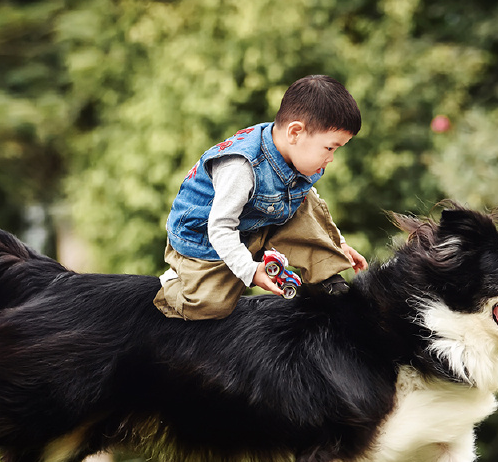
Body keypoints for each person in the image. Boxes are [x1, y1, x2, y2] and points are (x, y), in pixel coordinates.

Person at [154, 75, 368, 320]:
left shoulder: (291, 151)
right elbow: (220, 228)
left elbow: (305, 200)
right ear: (295, 132)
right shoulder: (241, 167)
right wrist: (251, 271)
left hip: (254, 223)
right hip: (206, 240)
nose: (331, 158)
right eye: (330, 148)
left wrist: (337, 243)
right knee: (211, 305)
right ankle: (176, 281)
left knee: (306, 201)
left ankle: (324, 278)